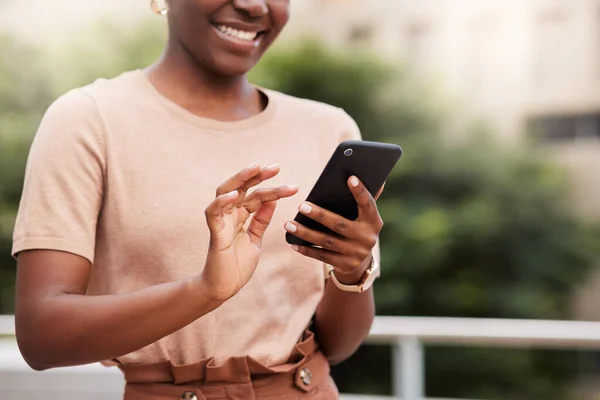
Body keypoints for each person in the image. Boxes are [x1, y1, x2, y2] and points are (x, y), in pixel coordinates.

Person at [12, 0, 384, 398]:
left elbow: (339, 346)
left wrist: (352, 273)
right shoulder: (89, 120)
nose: (252, 4)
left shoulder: (329, 129)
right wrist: (205, 290)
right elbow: (41, 337)